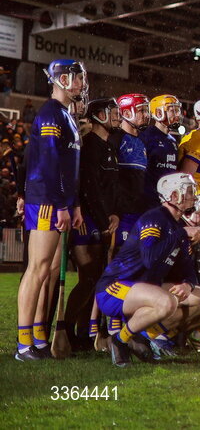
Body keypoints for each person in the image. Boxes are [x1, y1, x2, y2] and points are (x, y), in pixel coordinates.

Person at [15, 59, 87, 362]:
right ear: (64, 79)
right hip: (45, 201)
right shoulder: (49, 114)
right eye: (79, 78)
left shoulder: (66, 116)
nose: (82, 84)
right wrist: (60, 205)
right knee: (38, 269)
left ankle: (40, 338)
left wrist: (75, 205)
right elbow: (46, 165)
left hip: (60, 203)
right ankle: (23, 344)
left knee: (50, 270)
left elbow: (70, 169)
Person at [94, 172, 200, 367]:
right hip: (116, 287)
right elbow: (150, 260)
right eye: (188, 191)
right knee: (167, 302)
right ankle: (120, 340)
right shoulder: (154, 218)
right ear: (173, 195)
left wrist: (188, 284)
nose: (192, 196)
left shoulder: (177, 225)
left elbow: (188, 267)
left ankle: (143, 335)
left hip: (143, 288)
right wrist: (181, 234)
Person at [69, 98, 121, 348]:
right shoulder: (89, 144)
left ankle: (82, 335)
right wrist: (102, 219)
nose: (118, 116)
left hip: (103, 219)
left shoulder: (109, 146)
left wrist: (114, 215)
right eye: (113, 112)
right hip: (87, 221)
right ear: (99, 115)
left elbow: (110, 189)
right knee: (88, 277)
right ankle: (67, 330)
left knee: (95, 277)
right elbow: (89, 187)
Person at [110, 93, 150, 247]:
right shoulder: (116, 138)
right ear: (126, 112)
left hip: (138, 210)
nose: (146, 115)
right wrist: (115, 210)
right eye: (141, 110)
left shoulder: (141, 141)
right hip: (121, 213)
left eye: (146, 110)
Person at [140, 95, 182, 211]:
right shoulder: (147, 136)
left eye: (178, 110)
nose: (177, 114)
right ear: (158, 112)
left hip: (166, 201)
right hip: (148, 200)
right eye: (172, 110)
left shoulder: (173, 141)